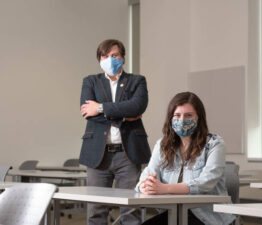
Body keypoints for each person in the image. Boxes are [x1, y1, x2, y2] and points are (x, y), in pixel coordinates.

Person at [79, 39, 151, 225]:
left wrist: (101, 108)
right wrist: (125, 115)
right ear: (99, 59)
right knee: (96, 211)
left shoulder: (137, 81)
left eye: (115, 55)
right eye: (105, 56)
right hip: (98, 155)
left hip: (128, 154)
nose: (110, 59)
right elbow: (88, 112)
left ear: (123, 58)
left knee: (130, 211)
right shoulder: (90, 81)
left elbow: (137, 106)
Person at [135, 92, 235, 225]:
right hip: (174, 214)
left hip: (208, 217)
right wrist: (145, 186)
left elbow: (206, 182)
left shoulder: (215, 144)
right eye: (177, 115)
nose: (182, 120)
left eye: (188, 115)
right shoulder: (162, 144)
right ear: (170, 118)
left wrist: (164, 188)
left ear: (199, 118)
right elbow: (149, 173)